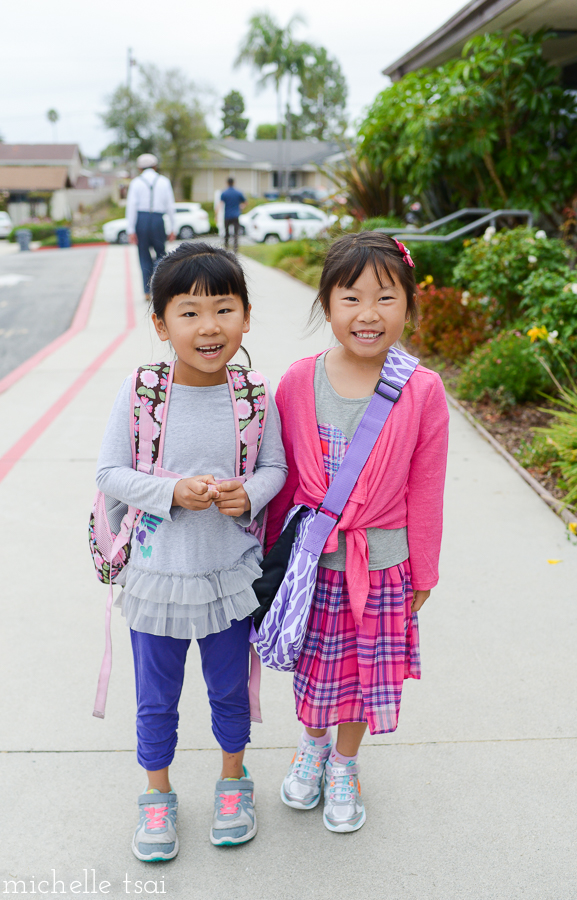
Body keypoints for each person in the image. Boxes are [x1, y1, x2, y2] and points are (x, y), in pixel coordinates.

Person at [96, 242, 287, 859]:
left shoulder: (256, 393)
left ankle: (234, 782)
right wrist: (169, 491)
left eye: (224, 309)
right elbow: (109, 474)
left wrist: (250, 494)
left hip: (229, 575)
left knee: (229, 690)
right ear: (161, 323)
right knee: (157, 697)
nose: (209, 327)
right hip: (156, 577)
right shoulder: (143, 390)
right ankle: (157, 797)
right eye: (189, 312)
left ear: (247, 316)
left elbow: (275, 466)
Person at [266, 231, 449, 834]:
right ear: (326, 304)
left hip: (383, 564)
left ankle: (345, 763)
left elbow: (427, 487)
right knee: (320, 666)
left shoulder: (422, 390)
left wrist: (424, 568)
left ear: (408, 306)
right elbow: (287, 481)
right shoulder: (298, 381)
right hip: (314, 565)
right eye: (351, 298)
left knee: (367, 671)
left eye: (385, 298)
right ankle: (312, 745)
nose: (368, 314)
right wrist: (268, 561)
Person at [126, 153, 176, 300]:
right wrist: (173, 227)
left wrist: (130, 229)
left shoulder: (136, 182)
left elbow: (131, 207)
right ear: (155, 166)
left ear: (140, 168)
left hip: (141, 220)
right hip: (158, 219)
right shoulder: (164, 181)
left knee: (143, 256)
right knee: (161, 254)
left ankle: (147, 291)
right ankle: (159, 288)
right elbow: (170, 206)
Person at [220, 177, 246, 252]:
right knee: (236, 234)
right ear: (234, 183)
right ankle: (235, 249)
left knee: (226, 234)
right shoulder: (238, 192)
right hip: (235, 215)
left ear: (227, 183)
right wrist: (241, 207)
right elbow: (245, 202)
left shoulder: (224, 193)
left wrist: (216, 215)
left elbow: (220, 204)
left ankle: (226, 248)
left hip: (227, 216)